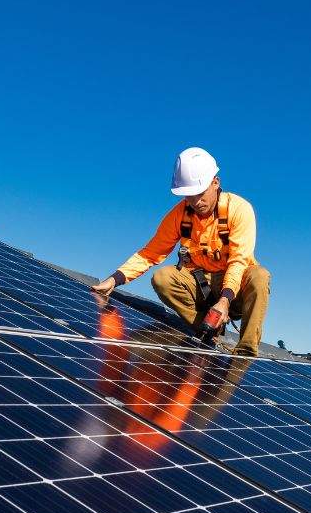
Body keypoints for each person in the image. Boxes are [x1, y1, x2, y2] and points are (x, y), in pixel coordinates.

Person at [92, 147, 270, 356]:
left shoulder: (239, 210)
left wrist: (225, 300)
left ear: (215, 182)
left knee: (259, 276)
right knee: (163, 278)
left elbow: (239, 261)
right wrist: (114, 279)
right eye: (189, 196)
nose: (196, 202)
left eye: (200, 194)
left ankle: (246, 352)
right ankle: (207, 330)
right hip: (200, 285)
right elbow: (150, 253)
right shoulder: (179, 215)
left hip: (235, 289)